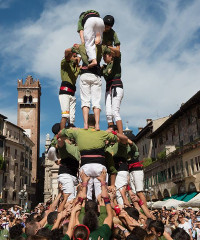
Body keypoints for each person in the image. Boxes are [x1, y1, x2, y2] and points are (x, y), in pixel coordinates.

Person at [57, 114, 128, 200]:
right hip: (100, 166)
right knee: (101, 195)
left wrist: (70, 129)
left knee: (85, 195)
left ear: (85, 121)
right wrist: (113, 132)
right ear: (96, 122)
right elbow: (124, 139)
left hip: (85, 166)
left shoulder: (78, 132)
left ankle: (86, 210)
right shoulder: (103, 133)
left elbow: (60, 133)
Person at [71, 43, 102, 130]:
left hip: (85, 74)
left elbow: (72, 52)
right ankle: (97, 125)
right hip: (95, 74)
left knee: (85, 100)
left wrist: (77, 48)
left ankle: (85, 124)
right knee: (96, 101)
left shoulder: (82, 46)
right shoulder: (99, 46)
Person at [102, 46, 124, 134]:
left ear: (111, 55)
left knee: (115, 111)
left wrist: (109, 47)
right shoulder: (104, 68)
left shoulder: (115, 62)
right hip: (108, 89)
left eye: (105, 56)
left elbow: (118, 53)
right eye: (103, 57)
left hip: (116, 86)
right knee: (108, 113)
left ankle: (121, 134)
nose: (103, 58)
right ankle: (111, 132)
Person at [59, 47, 80, 129]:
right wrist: (74, 49)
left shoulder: (76, 67)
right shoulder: (65, 63)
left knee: (72, 119)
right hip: (65, 92)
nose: (75, 58)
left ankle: (70, 135)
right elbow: (66, 52)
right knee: (65, 115)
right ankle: (61, 134)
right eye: (74, 56)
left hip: (72, 93)